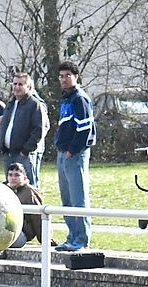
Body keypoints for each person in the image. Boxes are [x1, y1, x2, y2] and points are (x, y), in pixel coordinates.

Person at [54, 60, 96, 252]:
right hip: (63, 153)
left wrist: (72, 150)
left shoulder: (80, 98)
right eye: (61, 76)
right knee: (67, 199)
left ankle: (82, 238)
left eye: (67, 76)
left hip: (75, 154)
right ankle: (71, 236)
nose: (64, 79)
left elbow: (85, 129)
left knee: (79, 198)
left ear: (76, 76)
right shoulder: (66, 98)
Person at [0, 72, 49, 189]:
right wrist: (1, 143)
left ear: (28, 87)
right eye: (15, 84)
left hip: (25, 154)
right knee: (11, 187)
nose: (16, 87)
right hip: (8, 153)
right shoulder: (10, 104)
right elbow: (5, 125)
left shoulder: (34, 105)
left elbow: (40, 129)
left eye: (20, 84)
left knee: (29, 186)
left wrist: (26, 150)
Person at [6, 161, 49, 247]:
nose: (13, 178)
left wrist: (44, 239)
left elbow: (37, 218)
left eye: (17, 175)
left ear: (24, 177)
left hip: (22, 233)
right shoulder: (5, 190)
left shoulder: (30, 192)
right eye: (10, 175)